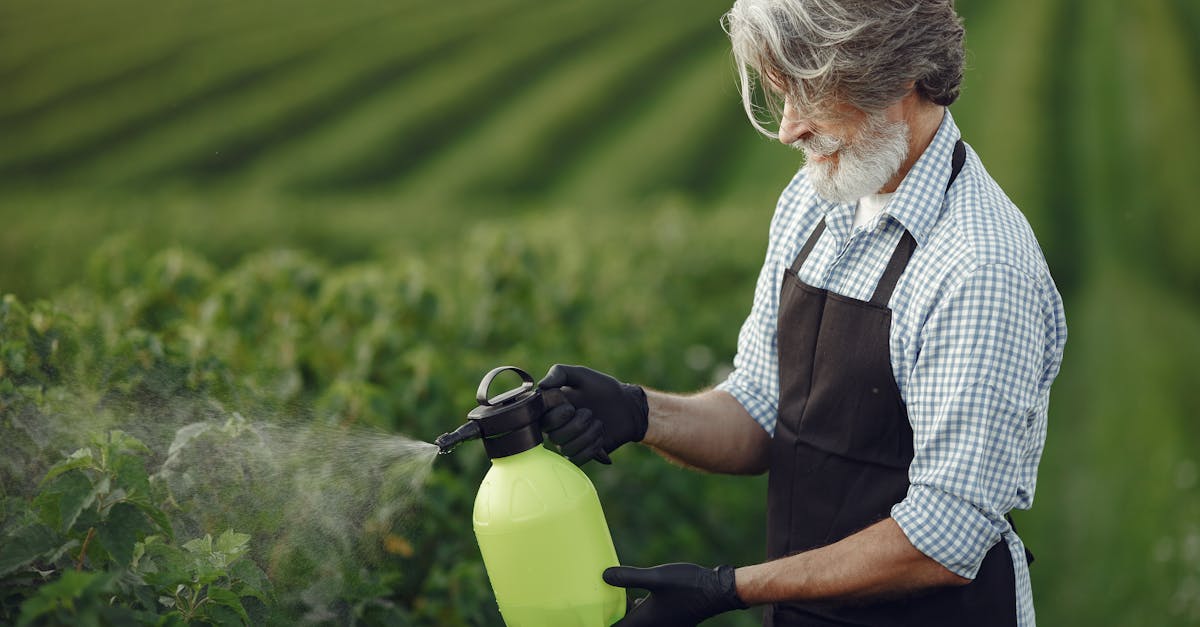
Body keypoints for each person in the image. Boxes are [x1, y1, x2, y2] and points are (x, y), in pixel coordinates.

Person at [537, 0, 1068, 625]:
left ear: (898, 77)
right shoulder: (815, 204)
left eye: (809, 97)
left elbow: (941, 542)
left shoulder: (978, 266)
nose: (789, 129)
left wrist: (726, 588)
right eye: (781, 95)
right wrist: (638, 411)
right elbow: (763, 410)